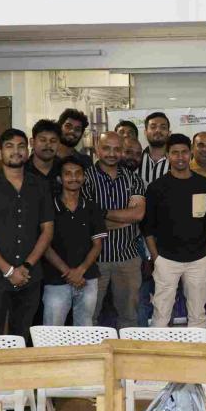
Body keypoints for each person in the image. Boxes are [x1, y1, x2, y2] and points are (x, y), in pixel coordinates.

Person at [0, 128, 55, 342]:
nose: (16, 151)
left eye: (21, 146)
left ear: (27, 152)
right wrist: (8, 270)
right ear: (0, 153)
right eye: (9, 146)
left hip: (30, 276)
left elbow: (47, 230)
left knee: (22, 336)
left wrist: (26, 266)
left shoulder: (40, 186)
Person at [143, 134, 206, 332]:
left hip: (199, 259)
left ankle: (198, 352)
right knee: (161, 314)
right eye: (175, 153)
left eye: (184, 152)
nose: (180, 157)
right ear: (167, 155)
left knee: (198, 315)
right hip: (166, 260)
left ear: (190, 153)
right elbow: (147, 226)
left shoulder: (204, 184)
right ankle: (159, 350)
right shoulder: (156, 187)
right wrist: (156, 257)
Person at [84, 131, 146, 329]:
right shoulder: (84, 178)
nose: (111, 153)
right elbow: (86, 222)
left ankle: (128, 351)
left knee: (129, 318)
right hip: (93, 260)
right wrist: (125, 218)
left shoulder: (133, 179)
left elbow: (137, 215)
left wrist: (100, 214)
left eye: (117, 149)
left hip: (127, 257)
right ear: (97, 149)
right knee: (89, 318)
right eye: (106, 148)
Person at [41, 156, 107, 326]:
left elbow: (97, 245)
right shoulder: (48, 207)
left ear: (84, 178)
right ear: (59, 178)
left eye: (78, 173)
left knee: (84, 329)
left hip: (87, 278)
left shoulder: (92, 207)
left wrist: (80, 271)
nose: (73, 178)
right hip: (55, 279)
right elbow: (45, 246)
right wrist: (69, 273)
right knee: (52, 331)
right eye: (68, 174)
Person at [25, 119, 63, 195]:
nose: (48, 145)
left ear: (59, 145)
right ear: (32, 142)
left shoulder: (65, 169)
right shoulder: (21, 171)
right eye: (43, 140)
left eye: (53, 141)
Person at [140, 111, 171, 187]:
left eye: (163, 127)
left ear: (169, 133)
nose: (158, 130)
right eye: (153, 127)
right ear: (145, 132)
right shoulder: (137, 159)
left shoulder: (177, 160)